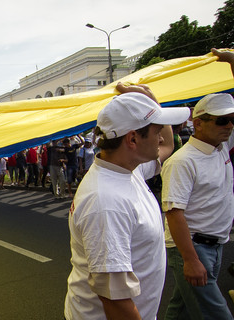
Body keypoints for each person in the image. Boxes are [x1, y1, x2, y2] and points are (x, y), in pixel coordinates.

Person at [64, 83, 190, 320]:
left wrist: (152, 102)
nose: (161, 137)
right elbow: (115, 299)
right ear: (132, 139)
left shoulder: (129, 170)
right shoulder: (106, 200)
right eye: (155, 131)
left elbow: (168, 145)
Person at [161, 48, 234, 320]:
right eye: (222, 120)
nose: (229, 126)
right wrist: (191, 260)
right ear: (198, 123)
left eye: (232, 120)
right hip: (193, 248)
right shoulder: (183, 161)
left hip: (215, 245)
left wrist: (232, 64)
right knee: (217, 315)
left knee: (179, 311)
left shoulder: (220, 147)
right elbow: (174, 212)